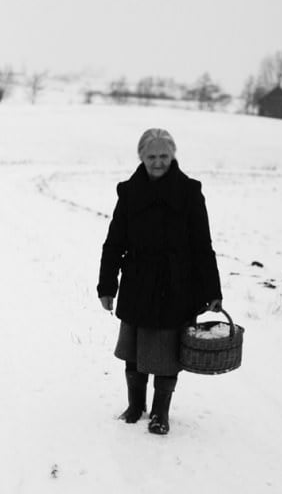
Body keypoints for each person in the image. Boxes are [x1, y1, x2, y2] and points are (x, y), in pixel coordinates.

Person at [97, 128, 223, 435]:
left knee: (168, 354)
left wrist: (212, 290)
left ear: (173, 155)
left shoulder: (189, 192)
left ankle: (160, 412)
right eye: (151, 156)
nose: (158, 162)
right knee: (133, 350)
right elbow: (114, 243)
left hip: (177, 285)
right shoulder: (129, 192)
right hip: (137, 281)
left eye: (164, 156)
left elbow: (202, 246)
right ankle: (135, 406)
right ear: (141, 157)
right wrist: (107, 286)